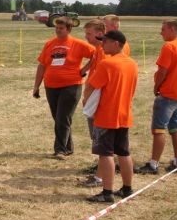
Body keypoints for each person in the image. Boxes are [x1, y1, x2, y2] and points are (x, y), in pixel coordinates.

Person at [82, 30, 138, 203]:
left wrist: (85, 101)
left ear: (116, 44)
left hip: (106, 116)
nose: (102, 44)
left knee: (105, 154)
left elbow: (92, 86)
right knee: (123, 152)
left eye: (105, 41)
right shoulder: (132, 64)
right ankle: (127, 188)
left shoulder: (107, 64)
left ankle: (107, 192)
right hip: (124, 115)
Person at [135, 20, 177, 174]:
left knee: (159, 130)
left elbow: (162, 71)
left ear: (173, 29)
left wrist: (156, 87)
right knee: (175, 128)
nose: (161, 33)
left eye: (163, 30)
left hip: (168, 94)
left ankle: (153, 164)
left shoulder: (170, 46)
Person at [33, 16, 95, 158]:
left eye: (61, 28)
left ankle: (60, 150)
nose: (58, 30)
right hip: (51, 86)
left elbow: (97, 54)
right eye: (56, 28)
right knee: (59, 118)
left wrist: (84, 70)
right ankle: (68, 148)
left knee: (62, 118)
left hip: (71, 85)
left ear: (68, 29)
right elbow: (42, 65)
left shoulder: (77, 43)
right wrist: (36, 86)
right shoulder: (49, 44)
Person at [80, 19, 107, 187]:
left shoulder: (103, 51)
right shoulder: (98, 49)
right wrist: (84, 70)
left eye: (88, 34)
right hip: (94, 97)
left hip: (97, 99)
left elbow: (100, 80)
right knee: (96, 137)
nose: (86, 37)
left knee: (100, 138)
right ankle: (101, 169)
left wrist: (87, 99)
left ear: (99, 33)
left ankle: (101, 175)